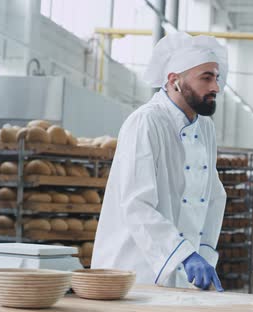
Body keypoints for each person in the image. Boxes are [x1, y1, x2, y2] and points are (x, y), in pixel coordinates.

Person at [92, 32, 228, 292]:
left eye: (216, 78)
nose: (216, 87)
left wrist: (204, 253)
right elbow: (136, 202)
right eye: (206, 78)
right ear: (174, 80)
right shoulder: (146, 121)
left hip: (183, 273)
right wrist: (185, 255)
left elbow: (214, 197)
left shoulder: (206, 128)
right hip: (136, 271)